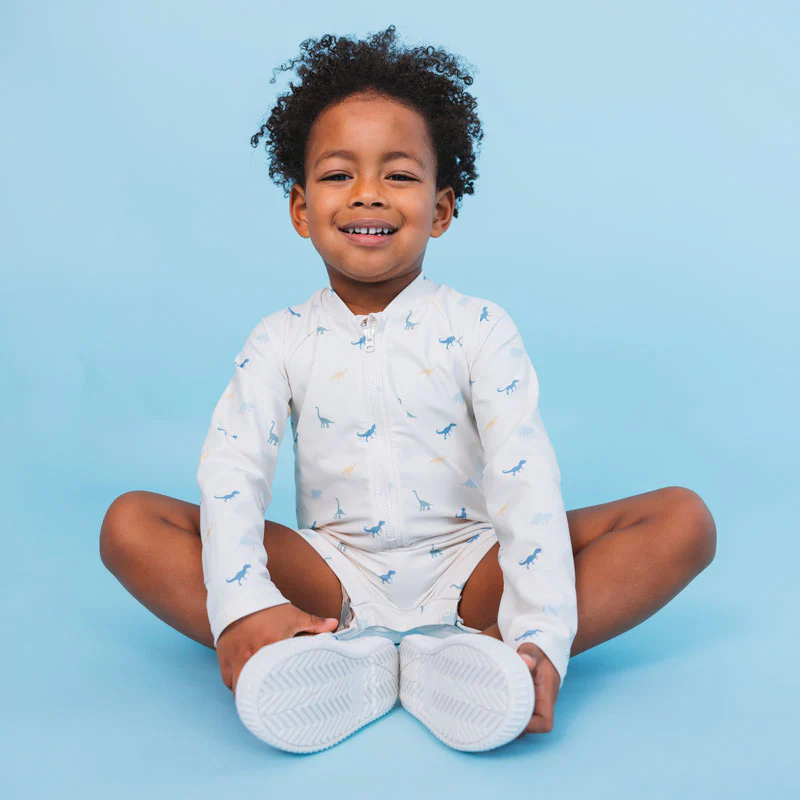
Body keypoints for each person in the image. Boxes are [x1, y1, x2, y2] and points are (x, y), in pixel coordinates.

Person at [99, 25, 717, 754]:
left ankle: (497, 654)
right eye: (338, 176)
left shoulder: (480, 327)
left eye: (398, 176)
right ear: (301, 209)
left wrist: (542, 627)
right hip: (330, 578)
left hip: (473, 570)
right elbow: (233, 472)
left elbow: (525, 478)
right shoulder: (279, 339)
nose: (368, 194)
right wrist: (242, 605)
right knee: (130, 523)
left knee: (684, 520)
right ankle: (314, 645)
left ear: (442, 209)